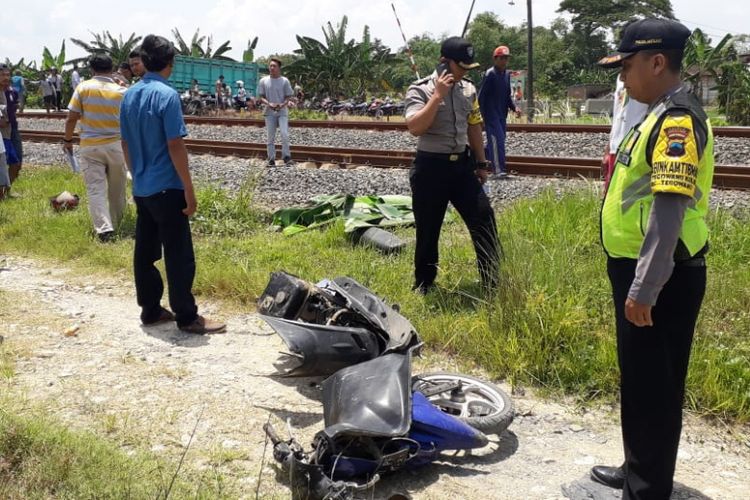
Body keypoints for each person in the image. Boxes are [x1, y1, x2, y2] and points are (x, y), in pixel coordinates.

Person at [593, 18, 714, 499]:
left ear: (657, 61)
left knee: (655, 392)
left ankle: (645, 490)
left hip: (662, 277)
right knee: (640, 383)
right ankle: (637, 467)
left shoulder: (677, 120)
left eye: (626, 65)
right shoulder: (656, 111)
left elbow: (668, 209)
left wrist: (645, 285)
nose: (622, 76)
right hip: (640, 268)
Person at [120, 33, 225, 334]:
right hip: (168, 186)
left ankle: (150, 310)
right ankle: (187, 317)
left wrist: (135, 175)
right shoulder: (167, 95)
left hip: (142, 186)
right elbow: (175, 145)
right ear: (170, 62)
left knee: (146, 252)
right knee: (178, 254)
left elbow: (125, 143)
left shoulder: (129, 94)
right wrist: (189, 189)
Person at [404, 36, 499, 294]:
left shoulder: (468, 89)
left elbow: (474, 127)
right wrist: (437, 96)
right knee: (428, 228)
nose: (465, 72)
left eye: (469, 67)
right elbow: (415, 127)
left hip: (462, 168)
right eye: (461, 66)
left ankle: (492, 281)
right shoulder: (420, 89)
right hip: (430, 169)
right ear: (444, 63)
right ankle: (424, 283)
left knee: (484, 219)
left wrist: (481, 163)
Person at [63, 53, 128, 242]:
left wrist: (68, 140)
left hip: (90, 147)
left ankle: (104, 229)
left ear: (91, 69)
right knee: (117, 188)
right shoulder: (122, 91)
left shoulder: (83, 88)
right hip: (116, 146)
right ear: (112, 68)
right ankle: (117, 222)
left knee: (95, 188)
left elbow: (71, 117)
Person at [478, 45, 522, 178]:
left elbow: (507, 95)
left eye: (506, 58)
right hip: (490, 115)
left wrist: (515, 108)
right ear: (495, 59)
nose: (504, 61)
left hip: (501, 114)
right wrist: (480, 115)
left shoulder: (506, 75)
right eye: (501, 58)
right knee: (497, 140)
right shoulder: (490, 74)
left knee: (497, 141)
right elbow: (481, 96)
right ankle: (498, 171)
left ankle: (474, 158)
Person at [602, 76, 648, 194]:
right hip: (616, 148)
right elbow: (618, 112)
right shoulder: (620, 77)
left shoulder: (648, 73)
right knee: (612, 198)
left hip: (635, 148)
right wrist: (609, 147)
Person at [258, 58, 294, 166]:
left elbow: (288, 97)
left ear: (279, 68)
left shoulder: (285, 81)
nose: (272, 68)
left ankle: (286, 157)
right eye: (270, 66)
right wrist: (269, 104)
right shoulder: (263, 81)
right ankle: (271, 159)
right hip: (269, 112)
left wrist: (282, 105)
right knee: (270, 137)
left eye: (274, 66)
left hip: (282, 111)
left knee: (284, 134)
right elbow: (261, 97)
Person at [0, 64, 22, 185]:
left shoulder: (11, 91)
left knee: (17, 162)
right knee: (6, 163)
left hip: (12, 129)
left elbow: (14, 105)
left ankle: (7, 190)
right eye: (3, 75)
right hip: (2, 133)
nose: (6, 77)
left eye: (8, 75)